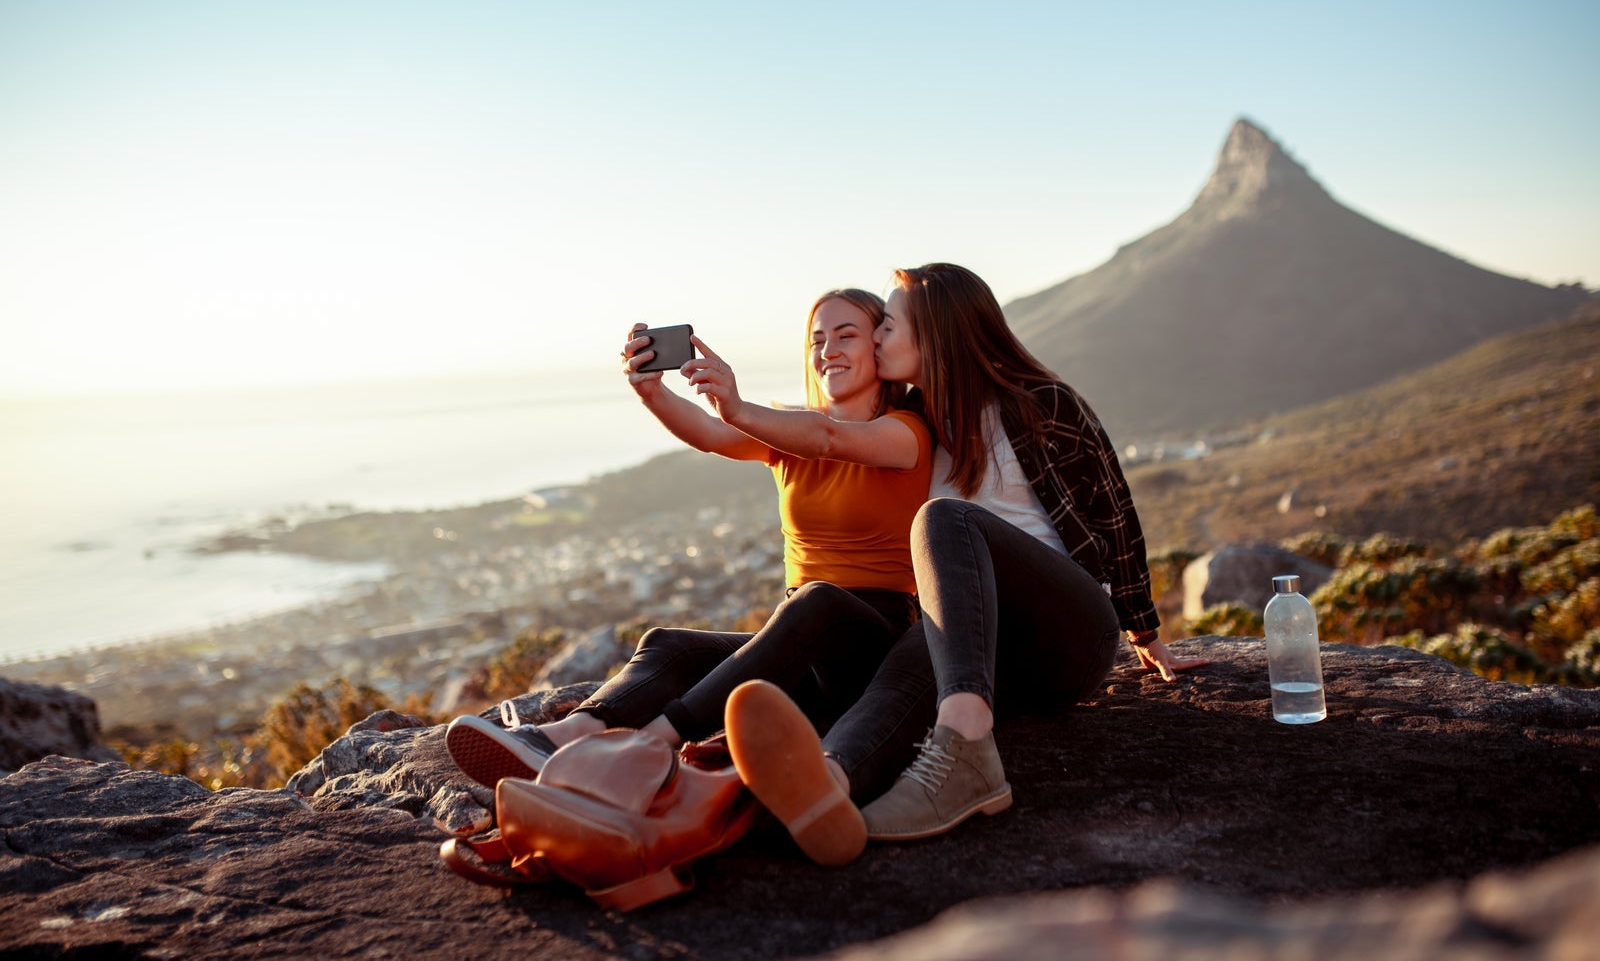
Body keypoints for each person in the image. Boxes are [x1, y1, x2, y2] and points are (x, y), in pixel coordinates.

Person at [716, 262, 1210, 856]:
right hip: (989, 657)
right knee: (913, 653)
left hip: (1067, 637)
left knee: (944, 519)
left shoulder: (1037, 403)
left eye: (888, 328)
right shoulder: (916, 426)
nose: (874, 339)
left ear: (936, 332)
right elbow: (825, 434)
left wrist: (1145, 632)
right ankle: (829, 784)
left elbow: (1113, 512)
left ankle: (967, 750)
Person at [445, 289, 935, 865]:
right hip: (801, 647)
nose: (828, 350)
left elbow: (829, 440)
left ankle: (654, 743)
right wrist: (653, 392)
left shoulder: (906, 433)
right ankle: (564, 738)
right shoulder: (791, 431)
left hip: (868, 644)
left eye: (846, 335)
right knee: (667, 644)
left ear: (880, 346)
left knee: (818, 601)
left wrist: (738, 405)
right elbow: (711, 434)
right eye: (817, 339)